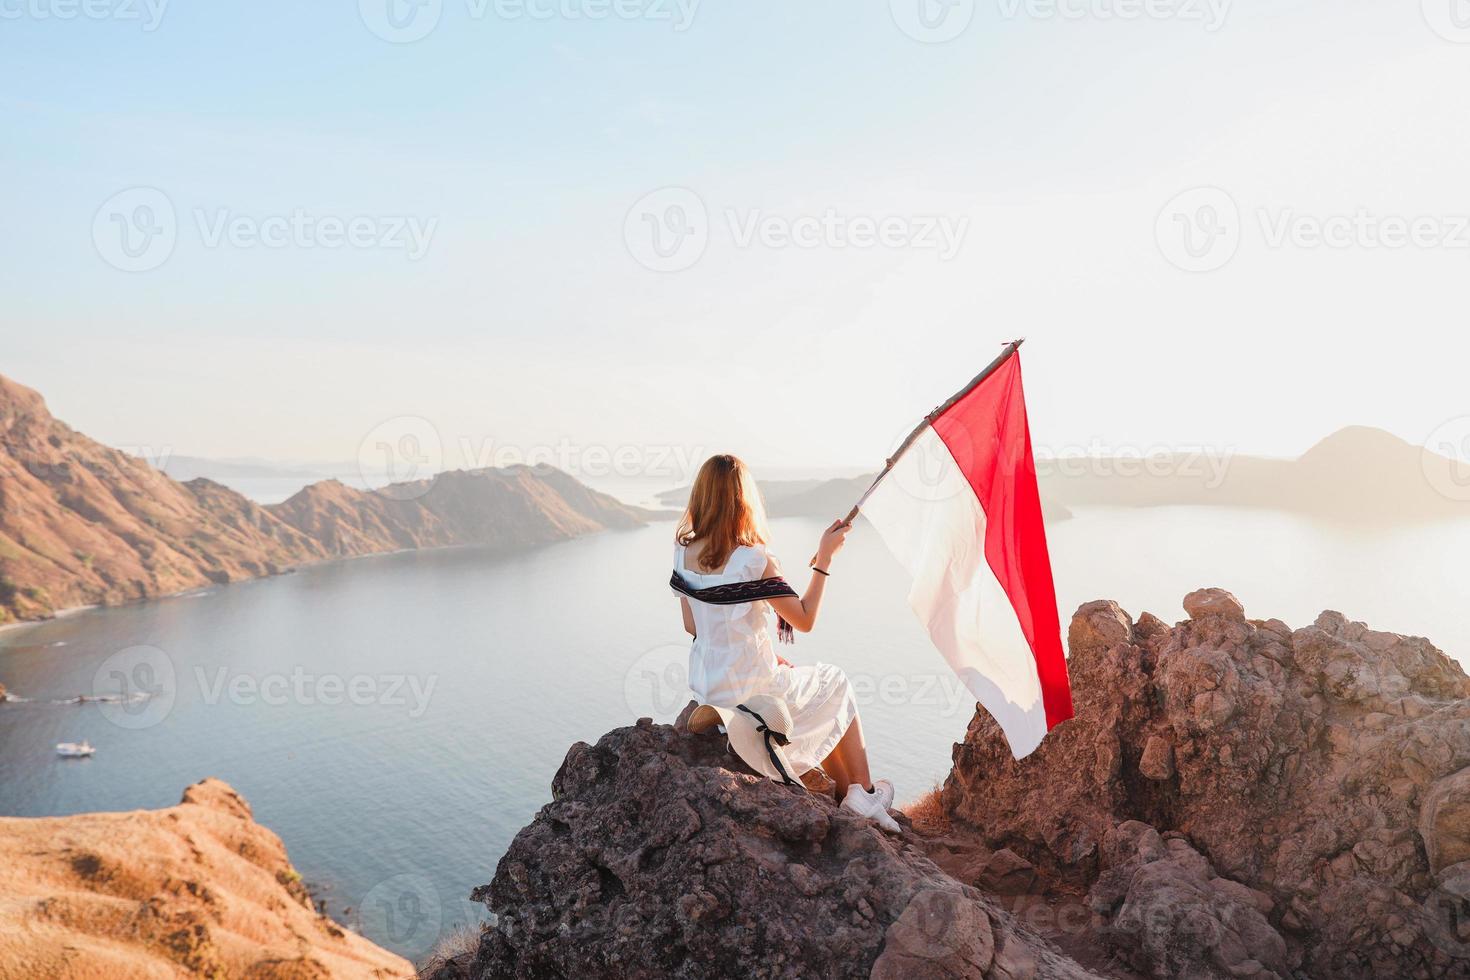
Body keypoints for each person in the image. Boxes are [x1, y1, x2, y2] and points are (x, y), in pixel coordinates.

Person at [671, 454, 898, 832]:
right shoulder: (752, 559)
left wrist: (762, 651)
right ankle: (866, 793)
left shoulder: (683, 552)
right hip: (752, 690)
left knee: (816, 694)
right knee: (834, 681)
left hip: (710, 685)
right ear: (744, 501)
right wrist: (824, 559)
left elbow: (692, 625)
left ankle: (851, 795)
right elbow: (804, 619)